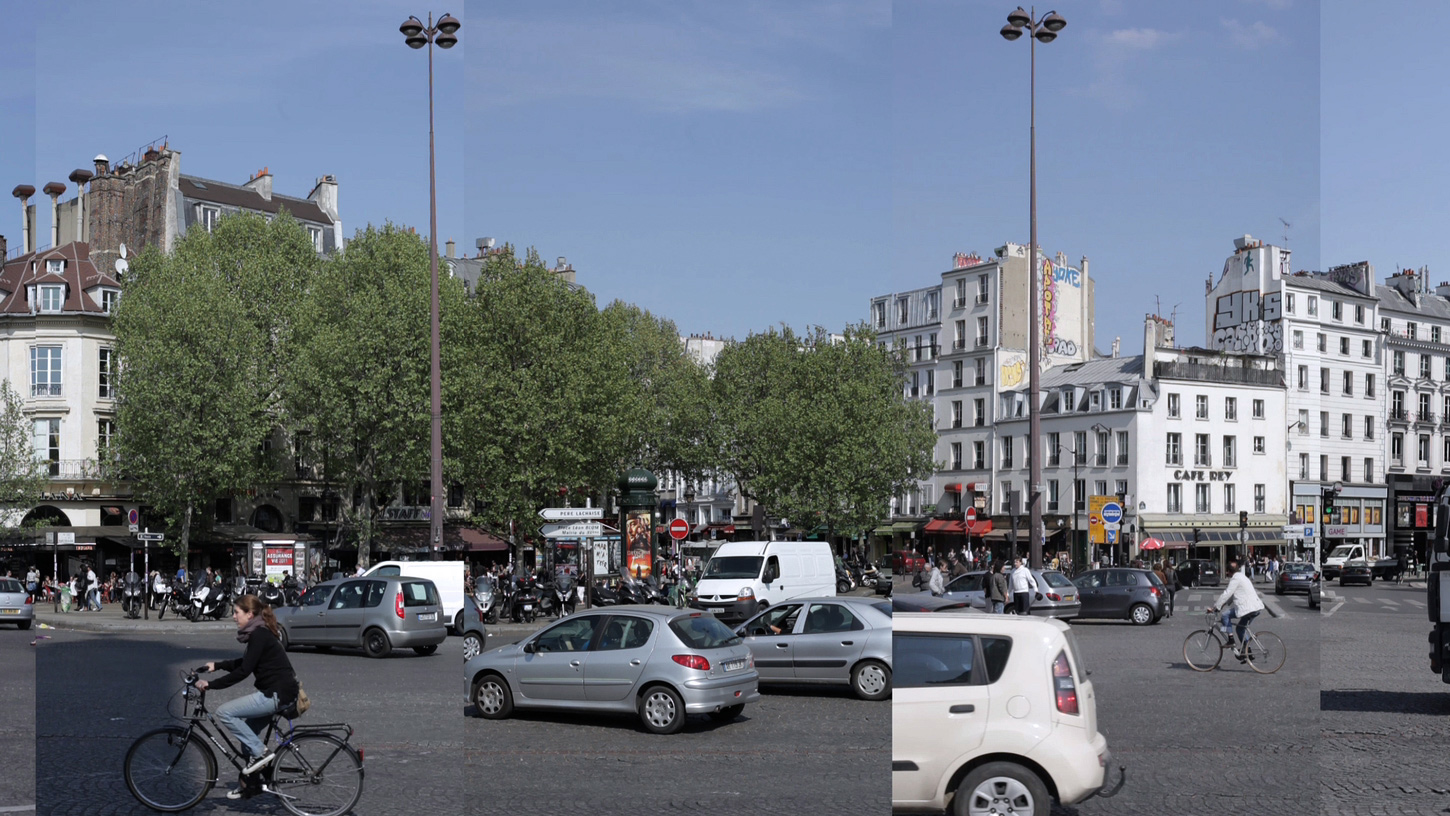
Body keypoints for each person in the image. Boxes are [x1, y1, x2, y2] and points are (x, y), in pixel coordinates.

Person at [196, 595, 301, 800]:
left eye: (237, 612)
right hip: (279, 692)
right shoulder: (258, 633)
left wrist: (211, 684)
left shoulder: (258, 635)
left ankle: (261, 754)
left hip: (276, 695)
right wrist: (216, 666)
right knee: (247, 737)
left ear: (250, 614)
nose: (233, 616)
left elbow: (244, 670)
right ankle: (250, 784)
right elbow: (246, 661)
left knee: (224, 712)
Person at [1208, 560, 1265, 661]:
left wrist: (1215, 607)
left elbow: (1227, 593)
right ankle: (1248, 652)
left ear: (1229, 572)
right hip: (1255, 607)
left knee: (1225, 615)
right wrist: (1219, 606)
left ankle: (1231, 640)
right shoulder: (1242, 577)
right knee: (1240, 629)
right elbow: (1231, 596)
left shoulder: (1235, 579)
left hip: (1248, 608)